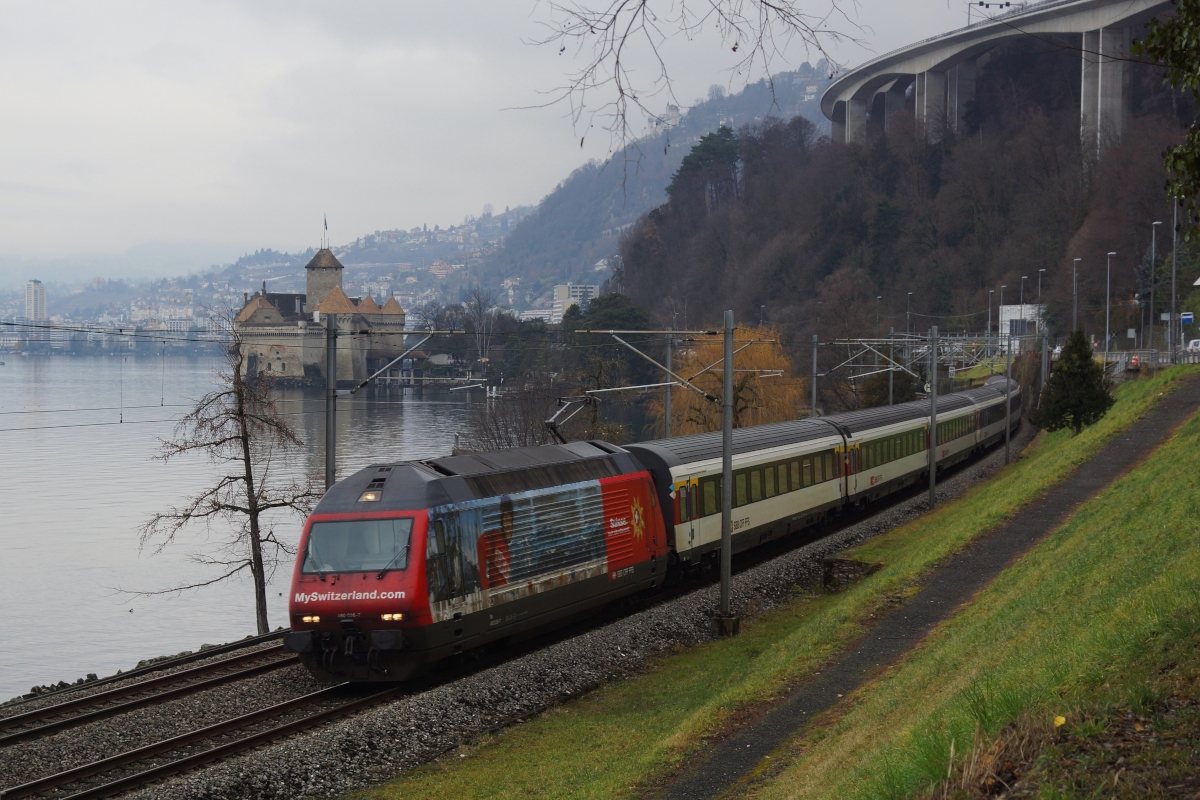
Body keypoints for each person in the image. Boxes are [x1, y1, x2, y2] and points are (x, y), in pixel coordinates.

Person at [477, 496, 513, 589]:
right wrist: (486, 590)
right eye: (505, 519)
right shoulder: (493, 537)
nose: (509, 525)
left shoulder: (507, 550)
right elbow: (480, 543)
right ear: (501, 520)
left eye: (510, 520)